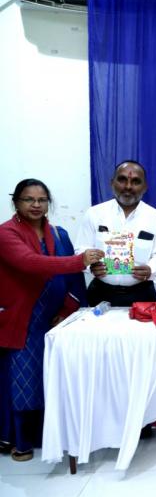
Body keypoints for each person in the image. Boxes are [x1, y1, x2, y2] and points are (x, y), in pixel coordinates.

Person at [0, 179, 103, 461]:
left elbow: (73, 280)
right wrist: (80, 260)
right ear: (16, 203)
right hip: (26, 320)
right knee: (25, 379)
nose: (36, 205)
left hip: (57, 319)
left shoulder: (59, 234)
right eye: (28, 199)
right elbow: (30, 263)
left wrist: (70, 310)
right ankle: (22, 442)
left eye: (42, 200)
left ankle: (53, 437)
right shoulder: (6, 233)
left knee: (55, 378)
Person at [75, 160, 156, 307]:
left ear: (145, 187)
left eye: (136, 181)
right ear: (112, 183)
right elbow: (80, 249)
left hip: (142, 294)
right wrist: (90, 265)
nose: (128, 186)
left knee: (141, 331)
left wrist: (151, 269)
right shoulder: (94, 214)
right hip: (100, 292)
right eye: (122, 179)